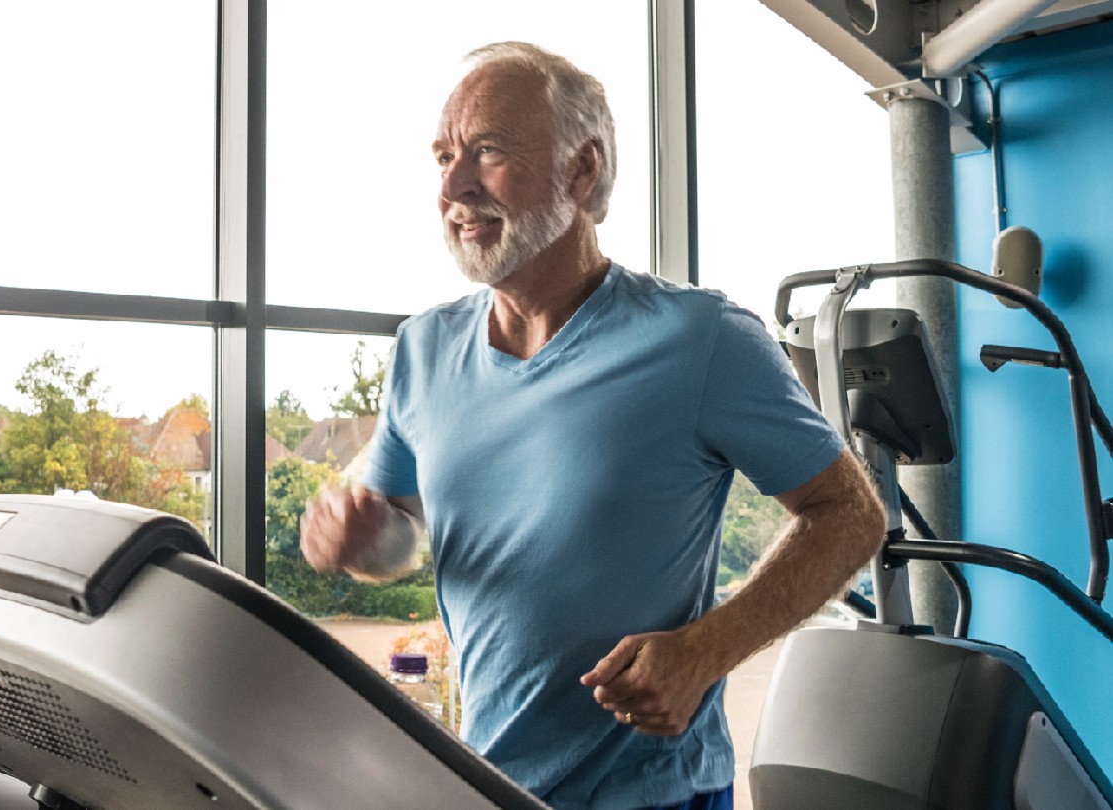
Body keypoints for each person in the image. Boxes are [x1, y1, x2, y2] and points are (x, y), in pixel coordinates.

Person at [300, 42, 886, 810]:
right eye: (443, 156)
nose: (452, 184)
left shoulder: (701, 339)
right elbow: (400, 532)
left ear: (582, 171)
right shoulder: (425, 349)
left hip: (656, 797)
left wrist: (707, 651)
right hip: (487, 785)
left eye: (488, 151)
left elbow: (850, 514)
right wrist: (358, 538)